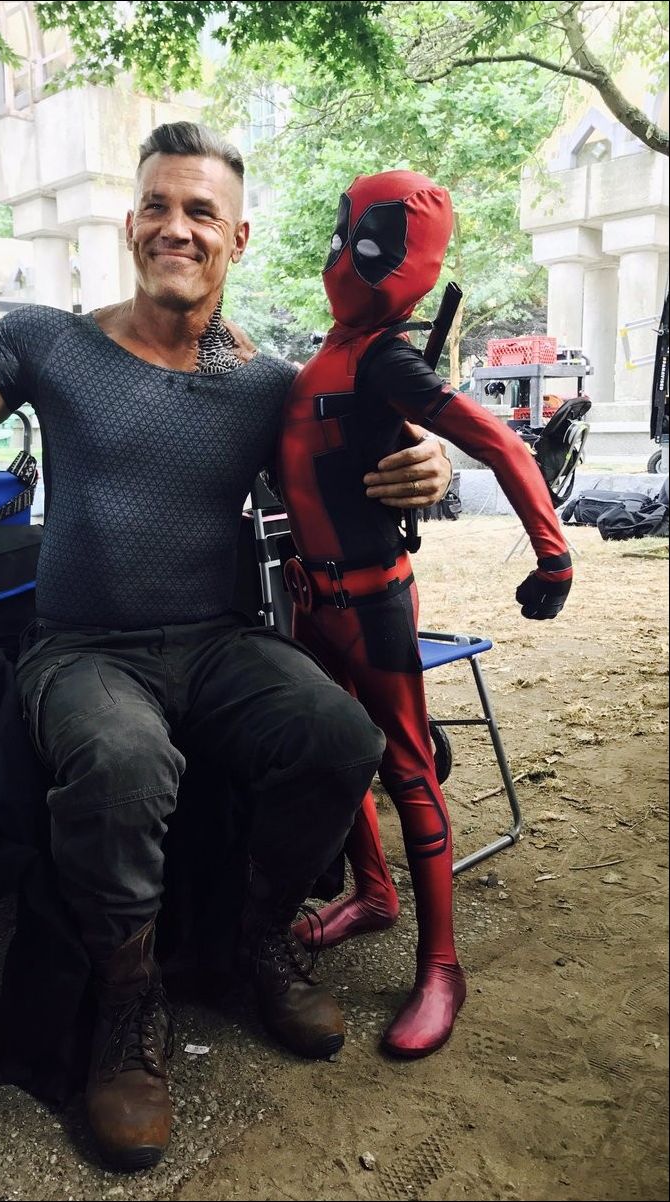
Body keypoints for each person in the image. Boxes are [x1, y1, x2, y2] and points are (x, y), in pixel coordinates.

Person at [0, 122, 452, 1172]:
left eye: (200, 212)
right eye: (157, 206)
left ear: (237, 237)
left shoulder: (267, 384)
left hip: (219, 642)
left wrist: (427, 471)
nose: (176, 227)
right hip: (85, 650)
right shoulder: (53, 344)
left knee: (338, 734)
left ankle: (258, 935)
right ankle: (130, 1001)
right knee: (123, 761)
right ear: (131, 223)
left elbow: (364, 460)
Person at [277, 170, 572, 1059]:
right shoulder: (333, 355)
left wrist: (553, 552)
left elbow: (500, 441)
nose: (345, 258)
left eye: (368, 242)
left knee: (408, 770)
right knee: (345, 758)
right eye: (345, 237)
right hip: (312, 601)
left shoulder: (382, 359)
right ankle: (374, 893)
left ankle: (442, 964)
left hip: (373, 601)